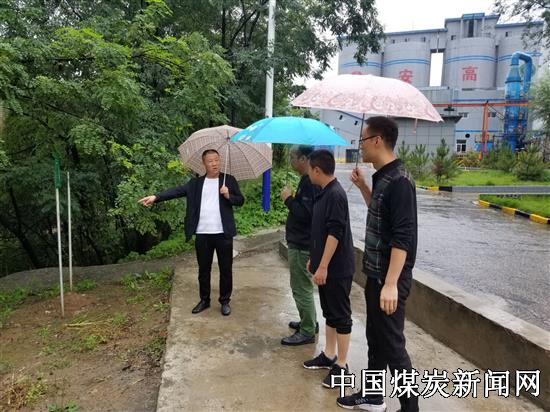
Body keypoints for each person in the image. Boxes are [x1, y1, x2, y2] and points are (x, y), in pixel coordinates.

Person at [337, 116, 419, 412]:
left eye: (362, 139)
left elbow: (402, 237)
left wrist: (391, 284)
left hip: (389, 278)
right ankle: (373, 396)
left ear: (377, 141)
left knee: (393, 347)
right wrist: (362, 187)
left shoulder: (400, 181)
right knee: (376, 338)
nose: (359, 145)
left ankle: (410, 408)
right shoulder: (382, 176)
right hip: (376, 274)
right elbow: (381, 213)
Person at [138, 149, 244, 316]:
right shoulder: (195, 183)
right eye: (210, 161)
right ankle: (204, 300)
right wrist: (156, 197)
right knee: (203, 270)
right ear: (204, 164)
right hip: (202, 233)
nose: (214, 163)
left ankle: (225, 301)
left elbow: (240, 201)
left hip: (223, 233)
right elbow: (176, 191)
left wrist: (228, 195)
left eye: (217, 160)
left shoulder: (228, 180)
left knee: (226, 270)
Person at [302, 149, 355, 389]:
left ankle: (342, 366)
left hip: (337, 268)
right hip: (324, 266)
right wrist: (315, 260)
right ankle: (329, 354)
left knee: (341, 316)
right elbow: (320, 232)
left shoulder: (335, 195)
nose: (308, 174)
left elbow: (335, 233)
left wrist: (323, 266)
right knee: (330, 313)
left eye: (309, 170)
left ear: (317, 170)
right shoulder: (324, 192)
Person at [280, 145, 319, 346]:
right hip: (301, 241)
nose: (291, 161)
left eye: (293, 157)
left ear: (304, 159)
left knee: (301, 286)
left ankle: (307, 331)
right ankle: (309, 321)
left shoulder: (310, 182)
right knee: (303, 285)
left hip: (302, 244)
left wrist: (288, 199)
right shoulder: (306, 179)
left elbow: (305, 214)